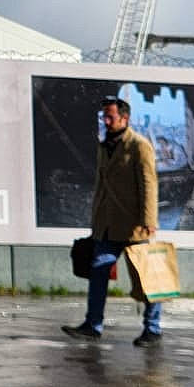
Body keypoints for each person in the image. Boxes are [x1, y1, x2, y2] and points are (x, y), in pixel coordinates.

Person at [63, 95, 161, 346]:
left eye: (110, 117)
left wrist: (149, 219)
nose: (106, 121)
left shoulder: (139, 146)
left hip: (134, 226)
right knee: (98, 272)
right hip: (107, 225)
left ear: (124, 118)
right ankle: (92, 325)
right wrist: (96, 219)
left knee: (146, 278)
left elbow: (149, 184)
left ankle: (153, 329)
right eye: (103, 116)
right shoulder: (104, 145)